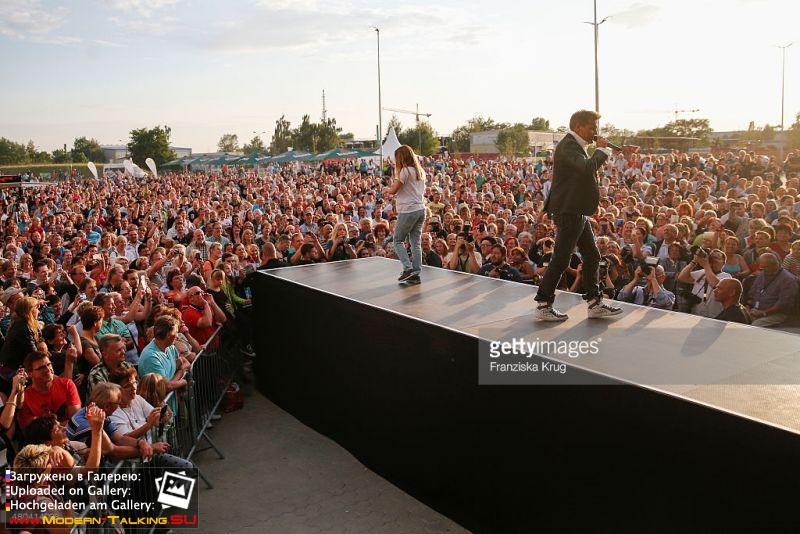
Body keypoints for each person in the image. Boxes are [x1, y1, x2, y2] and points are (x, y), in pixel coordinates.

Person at [534, 110, 624, 321]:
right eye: (591, 127)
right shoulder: (568, 146)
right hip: (569, 211)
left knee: (592, 256)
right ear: (578, 127)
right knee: (561, 259)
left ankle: (594, 302)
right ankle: (543, 303)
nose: (594, 131)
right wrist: (601, 149)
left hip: (577, 210)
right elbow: (586, 168)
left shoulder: (575, 146)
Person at [384, 145, 426, 284]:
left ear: (401, 157)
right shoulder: (420, 171)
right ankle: (416, 272)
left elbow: (394, 190)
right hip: (420, 209)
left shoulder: (404, 171)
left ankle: (408, 268)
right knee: (415, 243)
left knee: (397, 240)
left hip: (408, 210)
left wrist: (387, 190)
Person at [17, 351, 82, 430]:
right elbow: (31, 431)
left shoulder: (67, 384)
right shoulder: (25, 398)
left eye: (49, 364)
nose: (48, 370)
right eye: (41, 368)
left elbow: (76, 421)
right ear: (30, 374)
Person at [744, 252, 798, 328]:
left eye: (764, 267)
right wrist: (747, 307)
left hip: (776, 314)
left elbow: (783, 304)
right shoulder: (762, 274)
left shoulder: (788, 280)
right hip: (756, 310)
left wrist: (763, 313)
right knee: (739, 319)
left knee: (755, 325)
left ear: (774, 266)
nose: (761, 269)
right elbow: (752, 294)